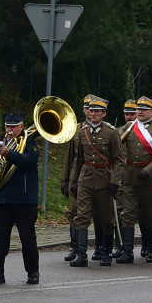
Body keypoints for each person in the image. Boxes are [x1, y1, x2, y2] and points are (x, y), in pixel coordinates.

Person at [0, 110, 40, 284]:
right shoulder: (1, 142)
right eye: (7, 126)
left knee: (27, 237)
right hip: (4, 198)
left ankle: (32, 272)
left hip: (24, 199)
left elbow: (29, 161)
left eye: (13, 127)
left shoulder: (30, 142)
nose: (9, 130)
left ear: (21, 126)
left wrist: (10, 154)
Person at [68, 97, 125, 267]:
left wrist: (115, 181)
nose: (93, 114)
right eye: (91, 111)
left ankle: (106, 252)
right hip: (85, 178)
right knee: (82, 216)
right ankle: (81, 254)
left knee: (106, 219)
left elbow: (119, 159)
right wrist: (74, 180)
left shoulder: (111, 132)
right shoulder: (81, 132)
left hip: (104, 179)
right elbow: (78, 160)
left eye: (97, 112)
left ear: (103, 114)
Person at [116, 97, 152, 264]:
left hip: (149, 179)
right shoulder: (129, 127)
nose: (140, 111)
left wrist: (148, 171)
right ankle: (127, 251)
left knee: (151, 215)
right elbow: (117, 143)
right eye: (138, 109)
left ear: (151, 112)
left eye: (144, 109)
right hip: (130, 176)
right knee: (128, 214)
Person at [61, 95, 94, 261]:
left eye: (92, 108)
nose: (89, 111)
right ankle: (75, 248)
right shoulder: (76, 129)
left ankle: (101, 247)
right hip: (76, 176)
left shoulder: (106, 130)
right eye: (87, 108)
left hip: (95, 175)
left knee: (99, 214)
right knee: (74, 212)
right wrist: (65, 179)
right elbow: (70, 157)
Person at [111, 100, 138, 259]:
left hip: (139, 176)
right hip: (122, 176)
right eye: (127, 114)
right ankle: (121, 245)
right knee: (119, 212)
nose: (129, 117)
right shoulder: (119, 132)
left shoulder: (144, 132)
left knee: (145, 214)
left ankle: (150, 246)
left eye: (132, 114)